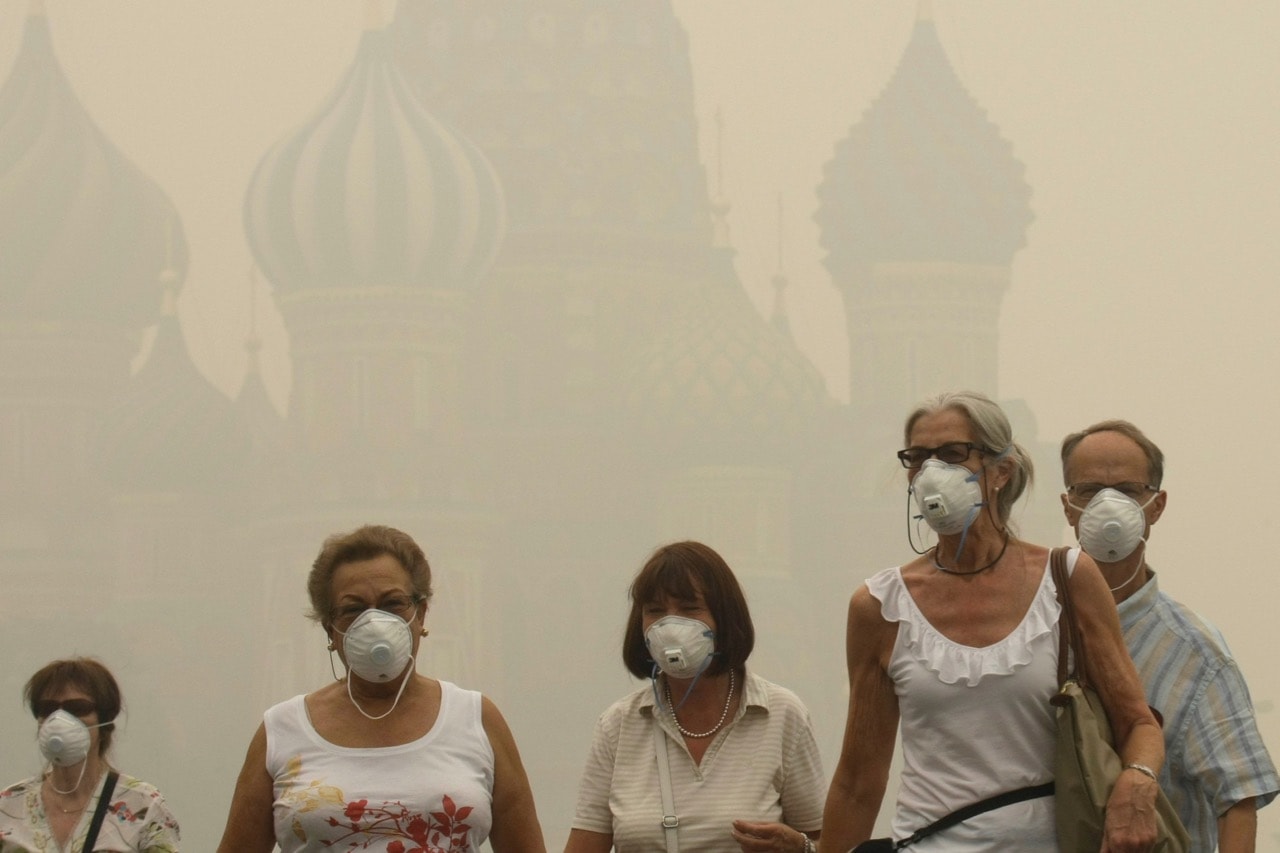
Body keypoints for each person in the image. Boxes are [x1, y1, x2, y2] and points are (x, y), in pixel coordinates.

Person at [821, 390, 1166, 852]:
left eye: (952, 454)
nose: (932, 472)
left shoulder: (1066, 580)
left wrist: (1137, 783)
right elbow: (859, 780)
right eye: (918, 458)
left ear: (1001, 471)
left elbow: (1138, 725)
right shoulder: (881, 606)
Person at [215, 524, 545, 852]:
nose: (374, 623)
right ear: (330, 627)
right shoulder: (282, 731)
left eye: (393, 603)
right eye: (353, 609)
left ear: (421, 614)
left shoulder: (476, 720)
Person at [1061, 419, 1278, 852]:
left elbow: (1238, 799)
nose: (1107, 504)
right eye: (1089, 490)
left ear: (1156, 506)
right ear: (1068, 506)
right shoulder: (1032, 629)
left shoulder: (1196, 652)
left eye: (1126, 490)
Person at [565, 540, 825, 853]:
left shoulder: (781, 714)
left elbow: (827, 842)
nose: (670, 627)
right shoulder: (618, 725)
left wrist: (800, 847)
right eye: (655, 612)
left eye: (690, 609)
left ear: (725, 617)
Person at [0, 657, 181, 852]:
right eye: (48, 709)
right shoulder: (7, 805)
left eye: (77, 708)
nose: (59, 719)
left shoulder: (144, 806)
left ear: (104, 720)